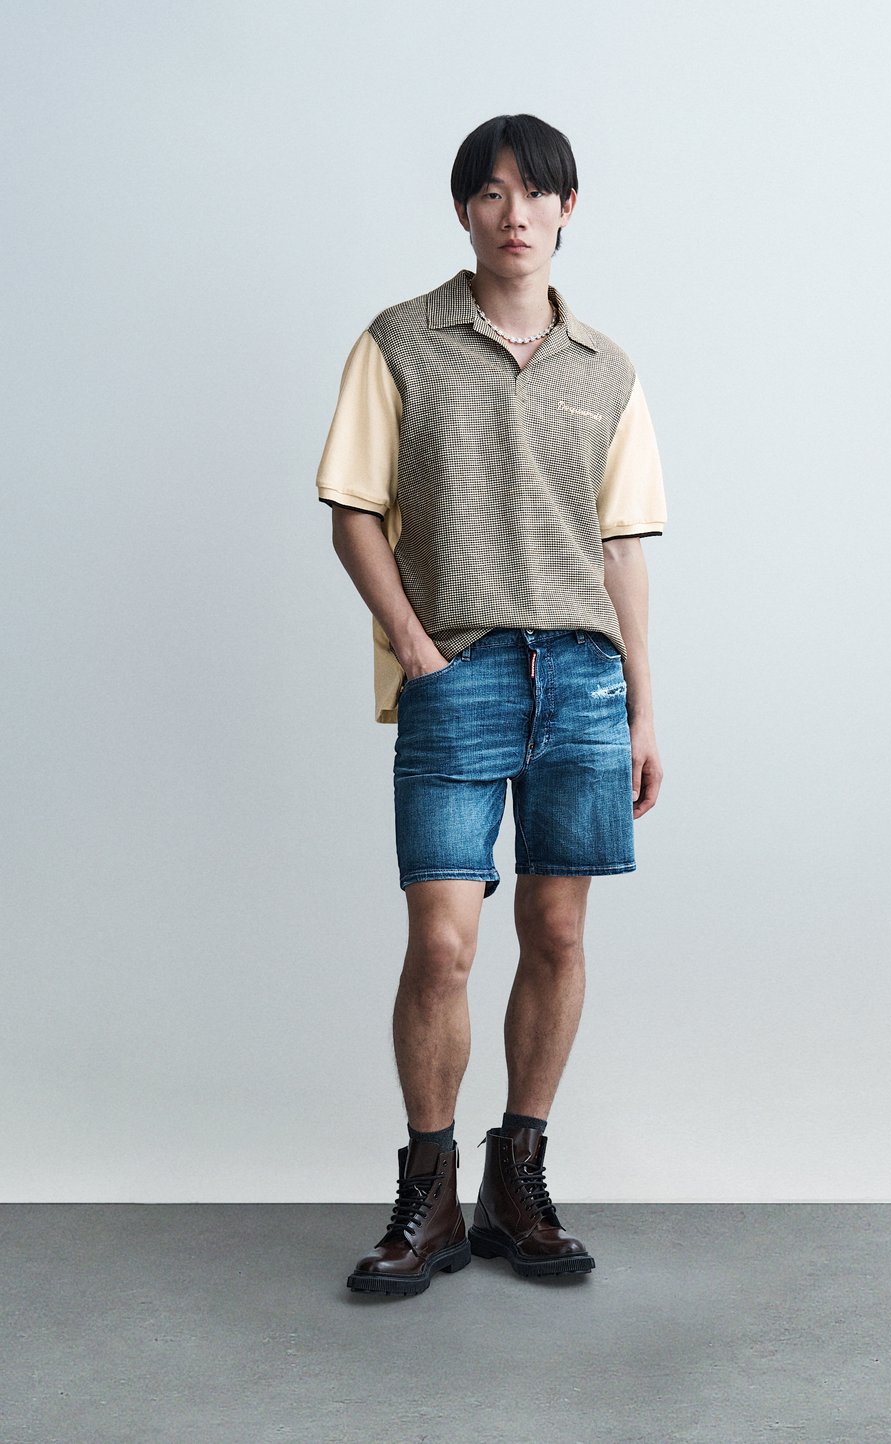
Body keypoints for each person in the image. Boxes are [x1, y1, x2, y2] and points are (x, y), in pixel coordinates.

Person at [315, 114, 667, 1297]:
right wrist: (415, 647)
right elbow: (352, 512)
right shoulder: (400, 343)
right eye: (490, 192)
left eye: (536, 191)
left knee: (557, 932)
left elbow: (621, 550)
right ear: (463, 209)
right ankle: (430, 1195)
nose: (515, 213)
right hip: (456, 670)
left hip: (582, 679)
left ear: (569, 208)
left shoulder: (606, 369)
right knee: (442, 942)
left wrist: (644, 712)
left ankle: (519, 1176)